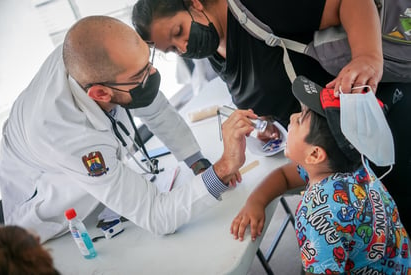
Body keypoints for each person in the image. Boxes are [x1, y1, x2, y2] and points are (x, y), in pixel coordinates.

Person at [132, 0, 411, 232]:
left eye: (179, 31)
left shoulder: (256, 7)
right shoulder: (212, 47)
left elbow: (350, 2)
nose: (183, 47)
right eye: (172, 49)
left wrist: (367, 57)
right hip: (335, 153)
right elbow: (269, 77)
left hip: (378, 114)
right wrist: (267, 123)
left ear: (193, 3)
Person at [0, 16, 247, 243]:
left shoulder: (90, 51)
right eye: (141, 74)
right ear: (101, 93)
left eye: (148, 60)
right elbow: (157, 216)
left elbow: (156, 109)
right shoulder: (69, 136)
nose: (153, 74)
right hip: (45, 189)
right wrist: (222, 168)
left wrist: (198, 163)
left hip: (57, 143)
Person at [230, 76, 410, 273]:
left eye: (299, 120)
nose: (291, 118)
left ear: (315, 154)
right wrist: (256, 201)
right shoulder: (354, 164)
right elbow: (284, 176)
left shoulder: (316, 215)